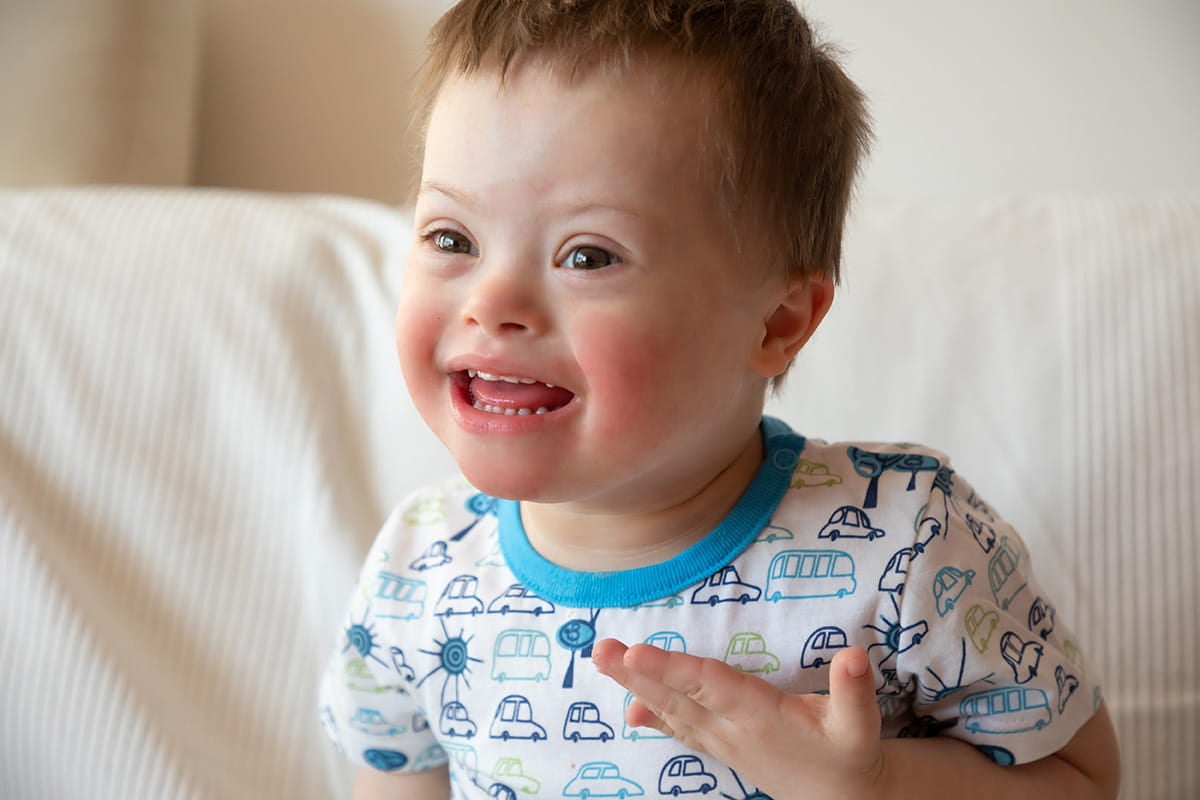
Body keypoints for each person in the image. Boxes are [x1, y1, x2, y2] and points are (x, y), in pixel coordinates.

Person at [318, 1, 1121, 798]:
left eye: (589, 254)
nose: (492, 301)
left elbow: (1083, 777)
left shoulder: (906, 540)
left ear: (776, 322)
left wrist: (874, 786)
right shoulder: (418, 569)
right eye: (452, 238)